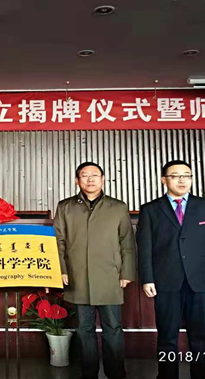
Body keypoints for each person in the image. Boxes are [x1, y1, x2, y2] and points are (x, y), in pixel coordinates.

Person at [136, 160, 205, 379]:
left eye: (186, 175)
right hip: (165, 280)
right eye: (175, 176)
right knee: (167, 336)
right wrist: (147, 278)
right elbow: (144, 247)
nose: (182, 180)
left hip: (201, 280)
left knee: (201, 337)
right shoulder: (151, 209)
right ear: (164, 180)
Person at [54, 161, 136, 379]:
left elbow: (127, 241)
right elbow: (58, 241)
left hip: (110, 276)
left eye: (95, 175)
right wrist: (62, 269)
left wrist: (127, 272)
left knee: (113, 327)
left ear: (103, 179)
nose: (90, 179)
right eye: (85, 175)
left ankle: (116, 373)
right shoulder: (65, 207)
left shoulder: (117, 207)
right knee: (84, 329)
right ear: (77, 180)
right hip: (77, 275)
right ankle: (88, 373)